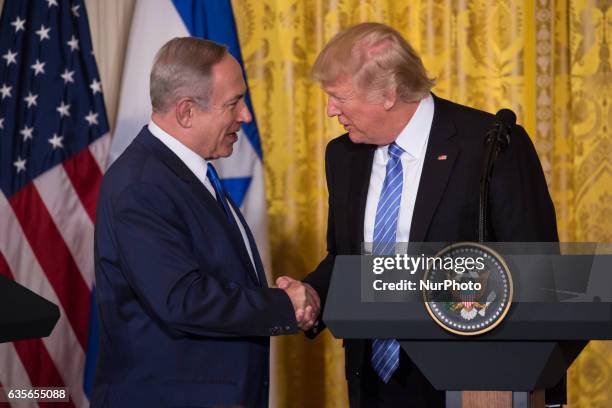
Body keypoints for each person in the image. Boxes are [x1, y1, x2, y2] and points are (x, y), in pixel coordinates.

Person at [277, 22, 559, 407]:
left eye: (339, 97)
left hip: (468, 382)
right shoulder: (343, 155)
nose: (330, 110)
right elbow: (348, 259)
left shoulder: (490, 145)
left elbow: (539, 273)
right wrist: (311, 294)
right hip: (373, 380)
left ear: (389, 94)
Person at [92, 37, 319, 408]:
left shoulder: (182, 172)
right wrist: (282, 305)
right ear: (186, 112)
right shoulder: (142, 185)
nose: (246, 116)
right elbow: (183, 299)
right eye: (234, 103)